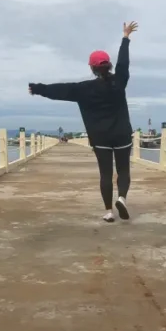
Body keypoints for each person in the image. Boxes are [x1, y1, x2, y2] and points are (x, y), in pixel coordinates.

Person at [29, 21, 139, 222]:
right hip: (122, 133)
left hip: (100, 138)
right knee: (123, 170)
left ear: (92, 68)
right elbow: (124, 63)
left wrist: (37, 88)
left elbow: (60, 91)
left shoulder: (83, 89)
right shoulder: (119, 82)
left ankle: (108, 212)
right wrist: (125, 37)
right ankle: (122, 198)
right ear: (109, 65)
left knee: (105, 174)